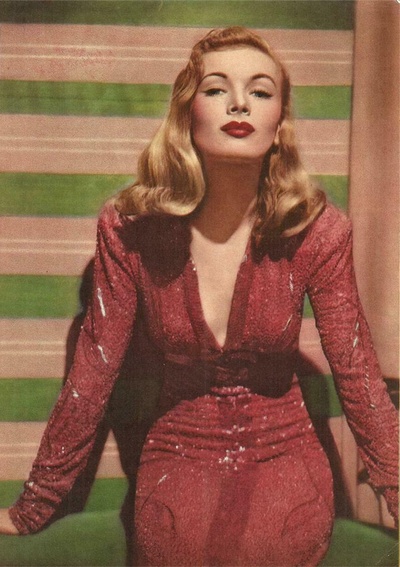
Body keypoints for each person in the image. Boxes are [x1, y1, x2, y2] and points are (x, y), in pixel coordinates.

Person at [0, 26, 398, 566]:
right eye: (216, 89)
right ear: (188, 111)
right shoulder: (130, 229)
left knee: (269, 546)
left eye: (260, 91)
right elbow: (92, 374)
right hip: (177, 456)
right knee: (178, 546)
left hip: (284, 459)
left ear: (279, 123)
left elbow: (358, 375)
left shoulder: (318, 231)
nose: (239, 103)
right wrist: (32, 508)